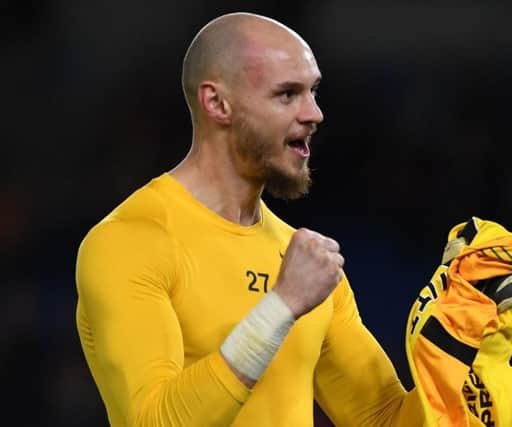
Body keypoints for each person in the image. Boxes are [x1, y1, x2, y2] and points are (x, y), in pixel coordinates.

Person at [75, 12, 424, 426]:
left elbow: (386, 419)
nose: (314, 113)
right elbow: (154, 420)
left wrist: (471, 353)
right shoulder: (130, 242)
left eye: (313, 91)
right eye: (287, 94)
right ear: (217, 103)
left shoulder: (302, 259)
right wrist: (281, 306)